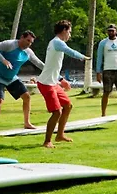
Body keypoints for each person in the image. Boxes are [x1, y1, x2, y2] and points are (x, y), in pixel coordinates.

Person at [37, 20, 90, 148]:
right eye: (69, 32)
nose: (69, 35)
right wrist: (84, 57)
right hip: (46, 84)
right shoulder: (57, 42)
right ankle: (47, 141)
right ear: (64, 30)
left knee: (67, 106)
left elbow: (53, 66)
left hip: (53, 82)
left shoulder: (56, 43)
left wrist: (61, 80)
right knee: (57, 112)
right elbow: (70, 51)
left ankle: (60, 135)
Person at [0, 30, 44, 134]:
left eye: (31, 42)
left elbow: (39, 63)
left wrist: (53, 73)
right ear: (22, 37)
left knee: (26, 97)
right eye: (28, 40)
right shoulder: (10, 44)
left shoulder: (28, 52)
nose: (29, 44)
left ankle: (27, 123)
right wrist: (3, 60)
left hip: (12, 77)